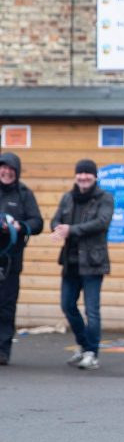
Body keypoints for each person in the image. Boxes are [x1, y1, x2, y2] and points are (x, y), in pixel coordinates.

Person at [51, 159, 114, 371]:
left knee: (92, 311)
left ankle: (92, 354)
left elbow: (101, 223)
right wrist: (58, 228)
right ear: (76, 176)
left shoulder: (105, 198)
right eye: (80, 173)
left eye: (88, 173)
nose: (83, 177)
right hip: (70, 262)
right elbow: (55, 220)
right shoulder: (68, 197)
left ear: (95, 177)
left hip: (93, 262)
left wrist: (71, 230)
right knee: (67, 305)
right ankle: (84, 345)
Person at [0, 153, 43, 366]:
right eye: (3, 168)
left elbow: (37, 223)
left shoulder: (24, 194)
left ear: (16, 172)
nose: (6, 172)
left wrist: (19, 226)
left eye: (11, 169)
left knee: (6, 307)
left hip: (10, 261)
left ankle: (3, 351)